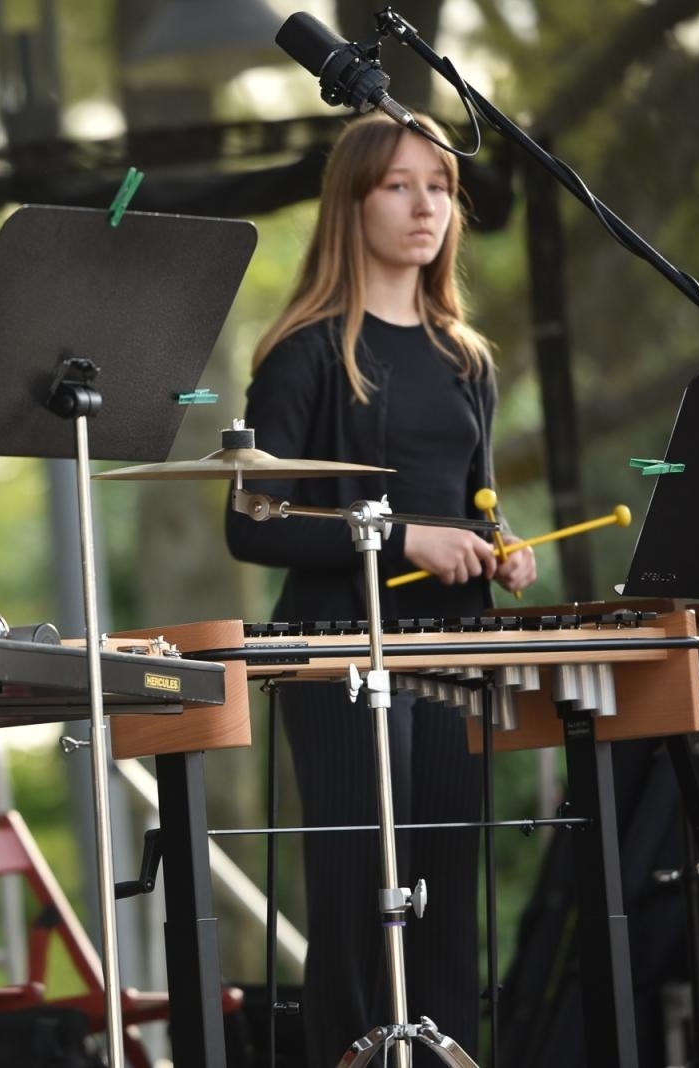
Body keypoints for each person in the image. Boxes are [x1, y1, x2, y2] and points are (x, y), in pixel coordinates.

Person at [225, 112, 537, 1066]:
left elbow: (473, 504)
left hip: (451, 654)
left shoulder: (465, 357)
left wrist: (500, 545)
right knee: (364, 898)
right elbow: (251, 521)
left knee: (444, 894)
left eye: (440, 186)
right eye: (400, 185)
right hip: (336, 653)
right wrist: (404, 536)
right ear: (352, 201)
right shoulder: (307, 350)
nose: (426, 205)